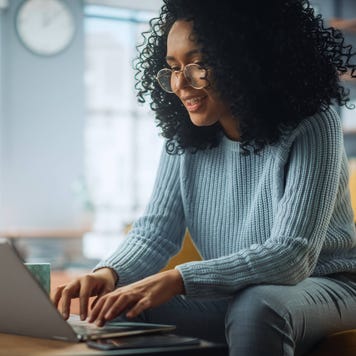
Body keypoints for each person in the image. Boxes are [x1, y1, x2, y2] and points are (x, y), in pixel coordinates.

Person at [53, 0, 356, 354]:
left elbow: (292, 255)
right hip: (237, 292)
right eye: (172, 68)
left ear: (245, 58)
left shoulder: (313, 123)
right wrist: (108, 275)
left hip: (325, 287)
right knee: (117, 306)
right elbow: (154, 234)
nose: (181, 83)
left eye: (196, 65)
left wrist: (180, 278)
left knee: (258, 307)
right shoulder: (184, 137)